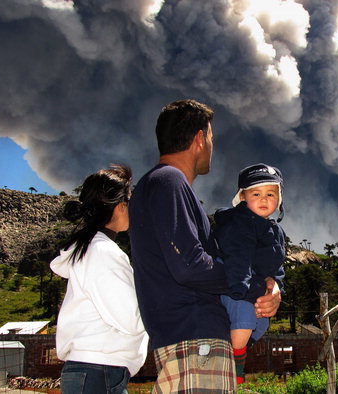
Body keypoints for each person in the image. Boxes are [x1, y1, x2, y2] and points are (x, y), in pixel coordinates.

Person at [128, 99, 281, 393]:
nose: (212, 146)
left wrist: (267, 286)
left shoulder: (158, 185)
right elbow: (191, 266)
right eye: (211, 138)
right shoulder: (168, 181)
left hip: (189, 339)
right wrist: (255, 288)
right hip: (196, 342)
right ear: (200, 139)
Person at [51, 164, 148, 394]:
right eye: (129, 199)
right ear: (119, 207)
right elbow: (131, 318)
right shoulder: (103, 252)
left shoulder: (92, 250)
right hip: (99, 371)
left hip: (94, 371)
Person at [213, 163, 286, 384]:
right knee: (245, 318)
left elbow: (278, 268)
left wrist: (276, 286)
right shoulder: (238, 223)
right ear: (242, 197)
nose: (264, 199)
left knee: (261, 323)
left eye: (270, 194)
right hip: (236, 285)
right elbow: (238, 259)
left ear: (279, 199)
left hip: (252, 287)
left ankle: (237, 349)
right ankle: (234, 366)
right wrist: (243, 291)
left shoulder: (275, 231)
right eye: (256, 193)